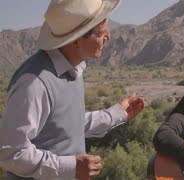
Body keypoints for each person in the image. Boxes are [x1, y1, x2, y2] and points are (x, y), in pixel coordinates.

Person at [0, 0, 144, 179]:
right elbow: (11, 153)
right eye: (100, 33)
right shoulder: (34, 83)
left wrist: (117, 114)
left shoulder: (72, 69)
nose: (108, 36)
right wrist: (71, 167)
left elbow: (67, 125)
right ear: (76, 39)